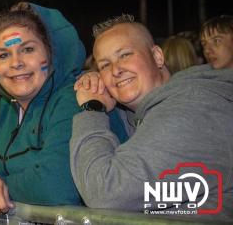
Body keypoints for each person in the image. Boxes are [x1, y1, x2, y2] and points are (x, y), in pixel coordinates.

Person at [71, 14, 233, 220]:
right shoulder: (147, 111)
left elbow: (106, 193)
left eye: (125, 55)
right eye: (104, 65)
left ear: (157, 56)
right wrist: (90, 82)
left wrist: (92, 109)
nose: (116, 70)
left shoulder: (190, 111)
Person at [0, 2, 87, 215]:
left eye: (27, 49)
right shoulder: (1, 107)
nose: (16, 63)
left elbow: (56, 185)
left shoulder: (73, 100)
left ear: (50, 53)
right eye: (3, 55)